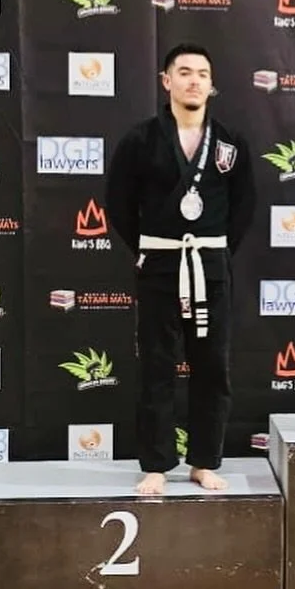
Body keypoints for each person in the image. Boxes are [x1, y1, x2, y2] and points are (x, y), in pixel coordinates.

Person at [106, 44, 256, 495]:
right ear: (166, 81)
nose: (194, 81)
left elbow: (244, 206)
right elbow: (118, 203)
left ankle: (204, 462)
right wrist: (148, 248)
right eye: (185, 72)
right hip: (159, 264)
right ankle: (155, 464)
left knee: (213, 367)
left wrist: (217, 253)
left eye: (202, 74)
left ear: (212, 84)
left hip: (210, 266)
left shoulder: (230, 142)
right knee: (156, 365)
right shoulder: (141, 140)